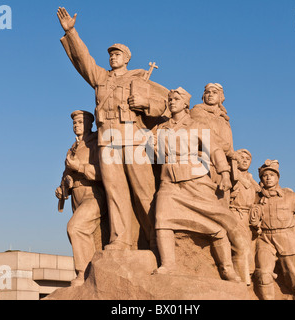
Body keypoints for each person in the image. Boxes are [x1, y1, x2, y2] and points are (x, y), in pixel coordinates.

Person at [57, 7, 169, 251]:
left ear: (127, 58)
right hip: (107, 140)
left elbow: (165, 103)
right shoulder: (101, 78)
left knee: (144, 191)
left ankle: (157, 239)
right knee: (114, 191)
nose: (113, 57)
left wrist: (145, 104)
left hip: (133, 139)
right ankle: (121, 239)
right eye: (111, 54)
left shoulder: (139, 78)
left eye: (118, 54)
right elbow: (83, 60)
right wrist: (72, 32)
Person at [152, 87, 249, 282]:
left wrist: (224, 173)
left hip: (195, 180)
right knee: (162, 219)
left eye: (176, 99)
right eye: (170, 99)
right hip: (169, 182)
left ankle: (227, 268)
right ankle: (168, 264)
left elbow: (215, 150)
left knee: (215, 223)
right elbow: (149, 150)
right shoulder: (161, 129)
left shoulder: (195, 125)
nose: (172, 102)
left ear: (186, 104)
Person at [55, 110, 107, 286]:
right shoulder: (72, 148)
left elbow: (105, 172)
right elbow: (66, 176)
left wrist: (80, 167)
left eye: (80, 122)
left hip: (93, 194)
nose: (76, 125)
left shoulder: (96, 143)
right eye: (74, 123)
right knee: (85, 234)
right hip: (76, 196)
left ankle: (83, 272)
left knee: (75, 227)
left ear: (89, 124)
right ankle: (91, 273)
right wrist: (63, 189)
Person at [249, 159, 295, 299]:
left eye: (271, 175)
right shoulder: (256, 198)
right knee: (263, 275)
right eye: (265, 176)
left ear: (277, 177)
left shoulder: (290, 197)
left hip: (289, 240)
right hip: (265, 240)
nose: (268, 178)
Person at [190, 83, 235, 204]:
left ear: (221, 97)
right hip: (204, 162)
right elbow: (208, 135)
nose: (210, 95)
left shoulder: (224, 119)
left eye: (214, 93)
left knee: (222, 204)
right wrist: (230, 151)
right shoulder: (196, 112)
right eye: (207, 92)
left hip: (222, 166)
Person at [229, 149, 261, 276]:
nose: (244, 161)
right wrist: (231, 195)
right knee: (240, 247)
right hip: (235, 213)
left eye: (247, 159)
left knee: (249, 249)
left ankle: (247, 278)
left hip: (249, 218)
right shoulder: (233, 176)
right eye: (241, 157)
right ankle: (241, 278)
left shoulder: (250, 178)